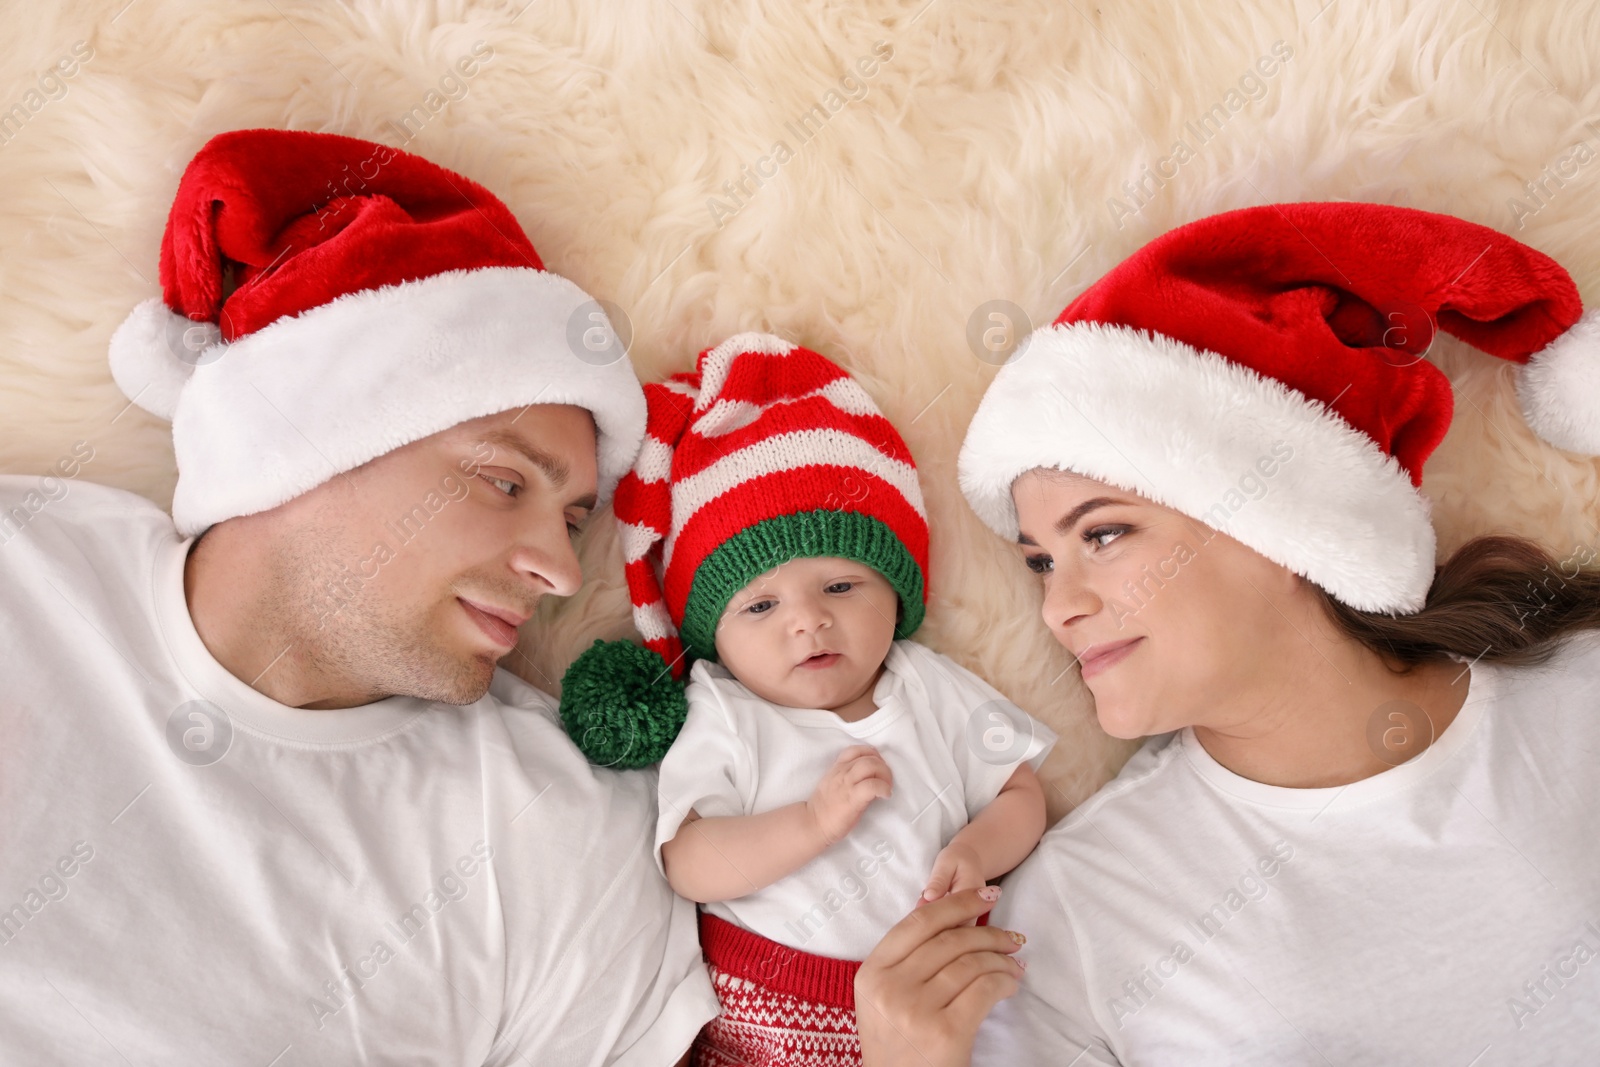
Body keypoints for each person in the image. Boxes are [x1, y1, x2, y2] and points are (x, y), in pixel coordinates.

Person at [0, 128, 719, 1064]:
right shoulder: (25, 574)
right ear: (315, 439)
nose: (560, 573)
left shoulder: (556, 838)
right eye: (506, 483)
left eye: (576, 519)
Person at [939, 201, 1600, 1064]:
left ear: (1286, 528)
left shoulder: (1577, 696)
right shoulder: (1079, 907)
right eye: (1039, 561)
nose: (1057, 606)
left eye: (1102, 534)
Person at [554, 334, 1058, 1065]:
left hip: (934, 1003)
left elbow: (1020, 790)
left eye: (841, 586)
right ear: (713, 638)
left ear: (897, 590)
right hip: (764, 1006)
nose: (808, 620)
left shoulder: (928, 685)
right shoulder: (725, 712)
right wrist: (812, 822)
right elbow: (689, 861)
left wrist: (977, 851)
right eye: (760, 607)